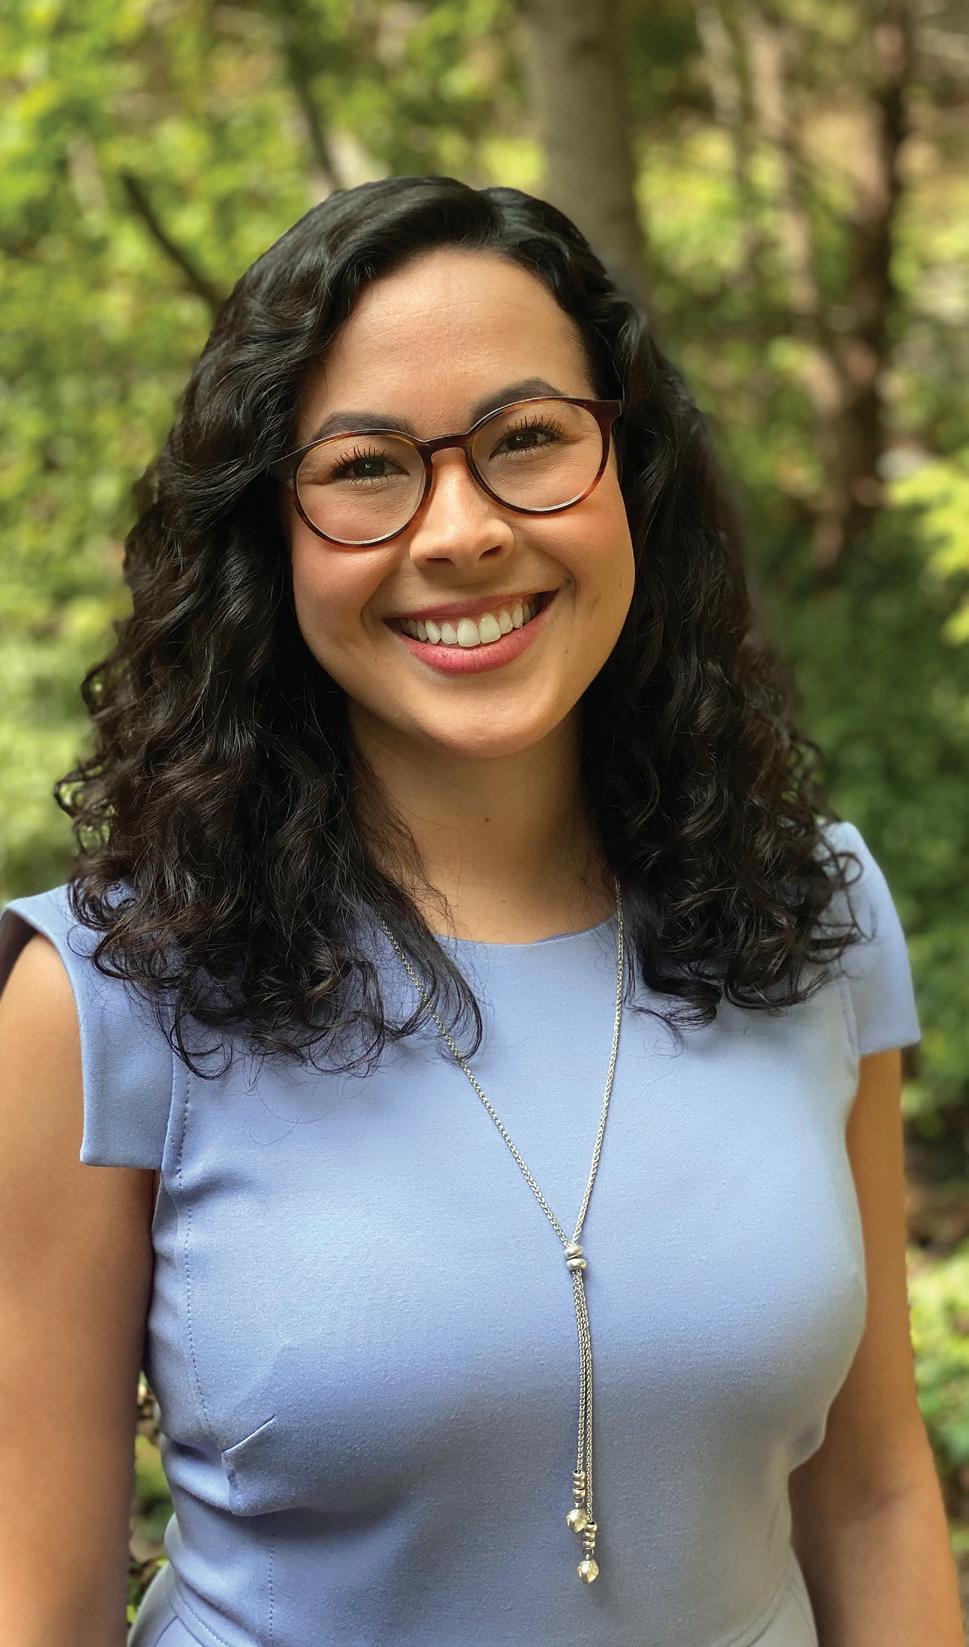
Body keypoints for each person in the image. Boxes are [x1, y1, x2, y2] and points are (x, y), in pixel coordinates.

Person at [0, 176, 954, 1647]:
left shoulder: (808, 915)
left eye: (526, 441)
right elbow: (36, 1604)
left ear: (628, 470)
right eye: (365, 466)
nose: (460, 531)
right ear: (267, 536)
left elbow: (874, 1498)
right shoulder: (109, 994)